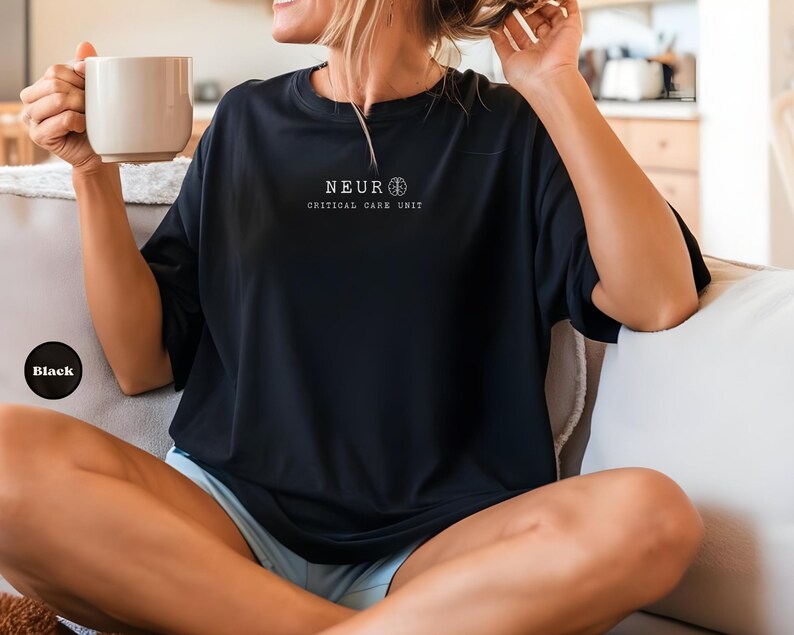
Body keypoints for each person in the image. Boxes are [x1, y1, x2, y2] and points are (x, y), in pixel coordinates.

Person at [4, 0, 711, 633]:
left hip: (443, 551)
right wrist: (91, 171)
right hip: (225, 526)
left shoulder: (514, 132)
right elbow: (142, 361)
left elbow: (657, 298)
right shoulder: (245, 122)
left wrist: (557, 84)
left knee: (653, 517)